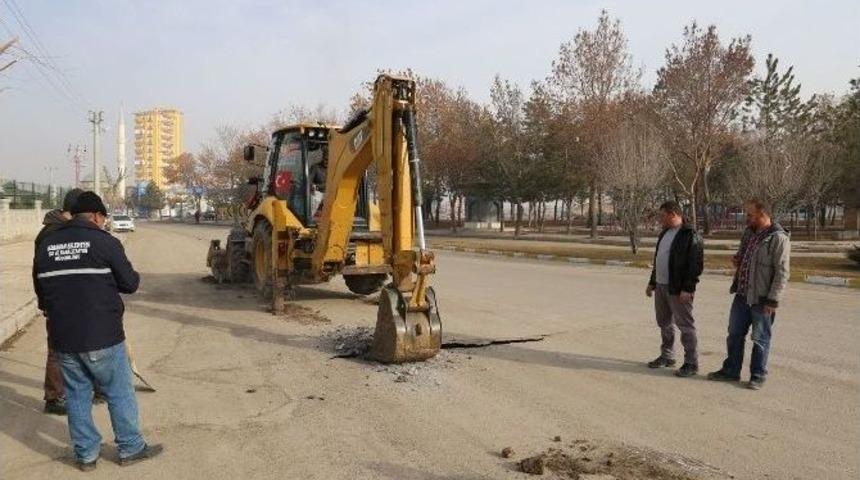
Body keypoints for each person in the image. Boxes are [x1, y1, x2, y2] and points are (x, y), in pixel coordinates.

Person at [32, 191, 162, 470]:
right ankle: (130, 447)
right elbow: (130, 283)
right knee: (119, 391)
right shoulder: (104, 242)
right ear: (95, 216)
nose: (104, 223)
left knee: (78, 397)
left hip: (64, 339)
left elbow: (41, 295)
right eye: (103, 218)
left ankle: (86, 455)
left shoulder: (46, 244)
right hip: (104, 336)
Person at [708, 199, 790, 390]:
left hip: (762, 299)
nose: (747, 218)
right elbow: (744, 255)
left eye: (750, 215)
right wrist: (738, 260)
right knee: (734, 334)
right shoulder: (749, 233)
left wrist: (773, 300)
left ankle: (758, 375)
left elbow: (782, 272)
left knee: (760, 338)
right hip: (742, 294)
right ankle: (731, 371)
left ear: (763, 214)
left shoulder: (778, 238)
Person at [33, 188, 82, 415]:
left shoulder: (52, 230)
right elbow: (39, 271)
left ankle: (65, 391)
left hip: (62, 299)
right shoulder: (53, 234)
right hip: (59, 300)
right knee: (57, 349)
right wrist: (45, 302)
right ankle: (54, 397)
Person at [645, 201, 703, 377]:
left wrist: (688, 288)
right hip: (662, 286)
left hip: (679, 289)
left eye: (662, 215)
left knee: (685, 326)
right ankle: (667, 355)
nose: (660, 219)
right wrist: (652, 282)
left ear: (673, 214)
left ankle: (691, 363)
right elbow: (659, 259)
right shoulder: (664, 233)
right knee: (664, 323)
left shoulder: (689, 234)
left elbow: (695, 265)